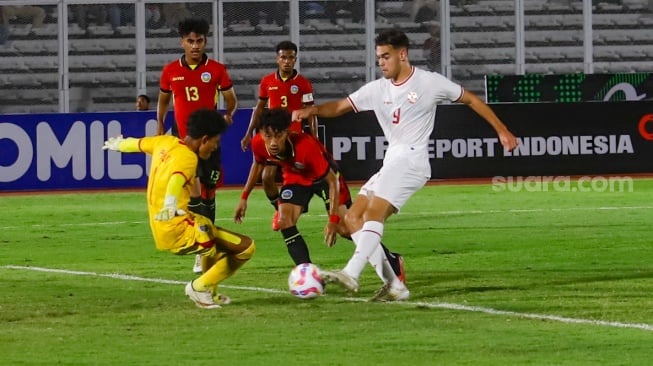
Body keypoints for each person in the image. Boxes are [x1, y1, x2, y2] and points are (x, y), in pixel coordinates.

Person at [292, 29, 518, 301]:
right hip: (392, 161)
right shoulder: (378, 89)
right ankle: (395, 286)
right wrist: (313, 111)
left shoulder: (428, 83)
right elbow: (341, 107)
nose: (382, 63)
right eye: (378, 58)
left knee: (374, 213)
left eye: (386, 57)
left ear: (402, 54)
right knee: (351, 218)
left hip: (411, 159)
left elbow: (470, 98)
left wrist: (502, 131)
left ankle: (351, 272)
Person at [103, 108, 256, 309]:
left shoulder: (164, 142)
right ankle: (200, 287)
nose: (214, 148)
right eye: (215, 143)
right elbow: (176, 178)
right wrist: (170, 204)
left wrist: (118, 144)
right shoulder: (189, 158)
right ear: (204, 139)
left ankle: (207, 291)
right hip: (179, 228)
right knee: (245, 248)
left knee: (209, 232)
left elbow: (137, 144)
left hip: (162, 228)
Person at [234, 108, 405, 287]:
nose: (273, 142)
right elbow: (258, 165)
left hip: (326, 178)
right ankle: (308, 277)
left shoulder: (306, 147)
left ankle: (392, 260)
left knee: (345, 228)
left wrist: (332, 220)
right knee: (284, 220)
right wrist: (244, 197)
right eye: (268, 136)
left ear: (288, 132)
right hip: (295, 177)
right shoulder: (257, 143)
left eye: (278, 136)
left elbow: (332, 182)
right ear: (261, 133)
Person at [157, 17, 238, 274]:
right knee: (192, 190)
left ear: (205, 41)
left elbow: (231, 99)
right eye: (190, 41)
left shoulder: (216, 70)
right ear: (182, 42)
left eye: (199, 40)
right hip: (183, 141)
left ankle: (206, 246)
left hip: (208, 142)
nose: (195, 45)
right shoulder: (170, 71)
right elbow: (163, 101)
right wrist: (160, 123)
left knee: (209, 192)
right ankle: (200, 245)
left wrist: (227, 115)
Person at [240, 40, 317, 232]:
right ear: (277, 58)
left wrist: (314, 139)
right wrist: (249, 132)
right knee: (266, 177)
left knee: (302, 179)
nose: (287, 61)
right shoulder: (267, 82)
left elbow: (310, 112)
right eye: (283, 57)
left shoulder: (302, 83)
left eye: (291, 57)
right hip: (274, 139)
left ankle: (299, 208)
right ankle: (279, 209)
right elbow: (258, 109)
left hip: (294, 141)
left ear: (295, 59)